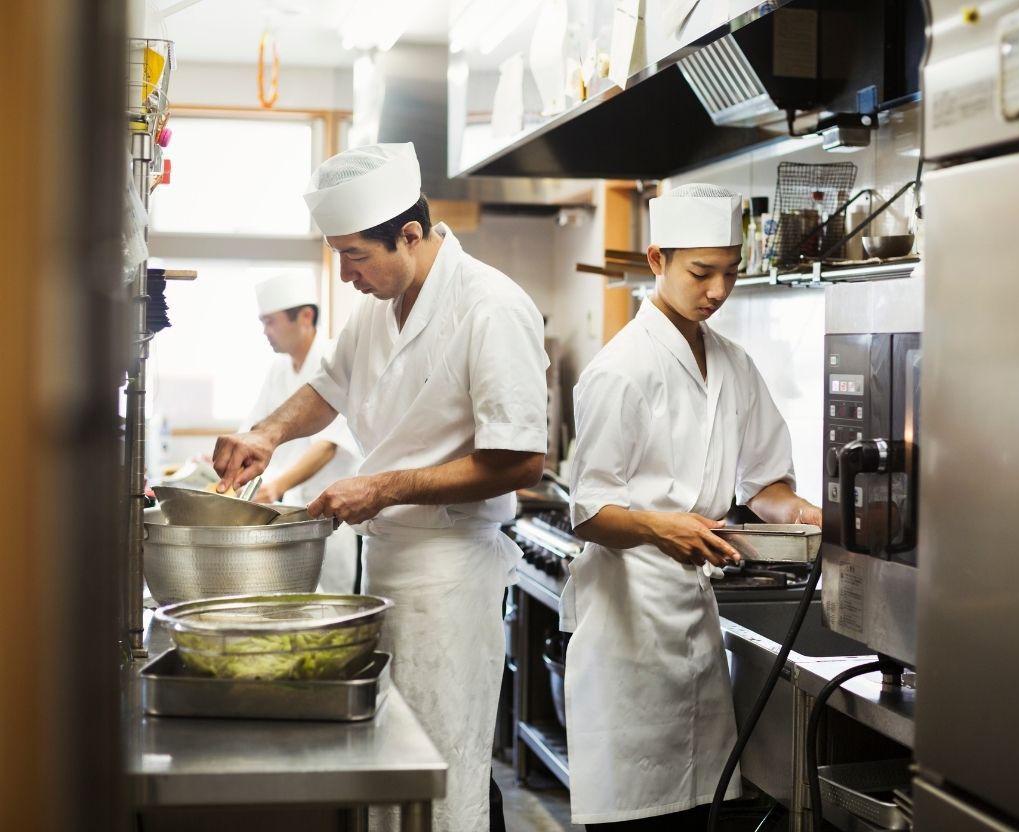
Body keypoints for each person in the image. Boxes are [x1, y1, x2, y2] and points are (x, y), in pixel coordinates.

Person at [210, 142, 549, 832]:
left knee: (441, 773)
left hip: (450, 579)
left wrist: (383, 487)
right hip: (387, 570)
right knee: (391, 775)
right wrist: (266, 434)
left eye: (355, 256)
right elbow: (326, 390)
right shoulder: (375, 309)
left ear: (411, 235)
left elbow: (520, 461)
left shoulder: (490, 307)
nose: (344, 274)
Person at [560, 183, 824, 830]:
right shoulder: (619, 370)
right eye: (700, 272)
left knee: (698, 814)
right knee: (634, 818)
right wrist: (659, 526)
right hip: (626, 625)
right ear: (657, 260)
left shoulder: (734, 364)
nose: (717, 291)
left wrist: (815, 518)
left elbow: (766, 486)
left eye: (731, 273)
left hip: (693, 627)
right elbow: (589, 509)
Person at [240, 271, 362, 594]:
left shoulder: (332, 359)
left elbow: (328, 445)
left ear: (305, 317)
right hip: (286, 510)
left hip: (328, 515)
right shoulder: (278, 369)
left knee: (329, 618)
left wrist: (277, 484)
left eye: (270, 321)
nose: (265, 331)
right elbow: (255, 428)